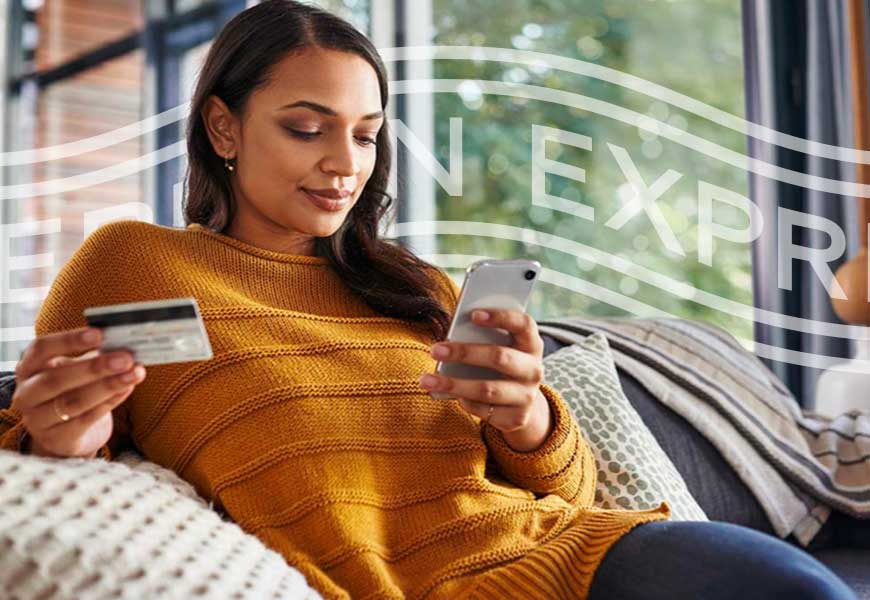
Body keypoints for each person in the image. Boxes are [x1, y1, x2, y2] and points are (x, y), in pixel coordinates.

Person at [0, 2, 858, 599]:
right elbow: (48, 465)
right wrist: (61, 438)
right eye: (306, 127)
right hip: (377, 582)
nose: (346, 162)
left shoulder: (411, 286)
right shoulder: (132, 263)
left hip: (565, 555)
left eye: (367, 135)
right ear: (223, 128)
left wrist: (527, 417)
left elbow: (582, 495)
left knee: (797, 589)